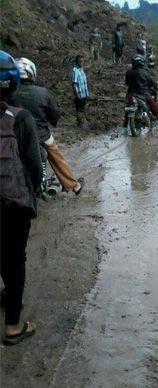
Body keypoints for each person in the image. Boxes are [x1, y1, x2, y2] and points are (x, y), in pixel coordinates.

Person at [0, 50, 42, 346]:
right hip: (13, 203)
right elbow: (35, 166)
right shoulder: (20, 118)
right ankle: (13, 327)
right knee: (15, 259)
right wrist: (33, 194)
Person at [11, 57, 83, 194]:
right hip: (41, 135)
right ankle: (73, 185)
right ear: (32, 73)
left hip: (15, 135)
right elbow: (54, 114)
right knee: (55, 154)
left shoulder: (9, 93)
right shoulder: (42, 92)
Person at [125, 54, 158, 132]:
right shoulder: (144, 72)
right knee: (156, 109)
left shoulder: (128, 72)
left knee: (127, 108)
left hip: (131, 93)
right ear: (141, 63)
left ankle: (124, 126)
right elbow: (153, 82)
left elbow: (127, 83)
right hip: (143, 94)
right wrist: (155, 85)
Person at [70, 55, 89, 127]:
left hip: (84, 94)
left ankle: (80, 123)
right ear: (76, 62)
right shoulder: (75, 71)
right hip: (79, 94)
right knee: (79, 109)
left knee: (82, 109)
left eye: (82, 61)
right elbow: (74, 84)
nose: (81, 63)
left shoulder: (82, 70)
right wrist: (77, 95)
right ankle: (80, 124)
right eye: (79, 61)